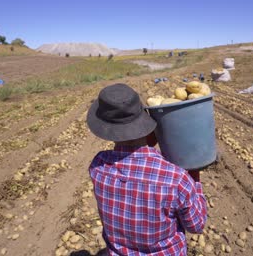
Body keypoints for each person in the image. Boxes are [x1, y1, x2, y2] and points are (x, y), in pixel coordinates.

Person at [86, 83, 207, 255]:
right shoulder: (176, 178)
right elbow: (196, 225)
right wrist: (194, 179)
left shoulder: (97, 166)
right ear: (145, 122)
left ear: (105, 127)